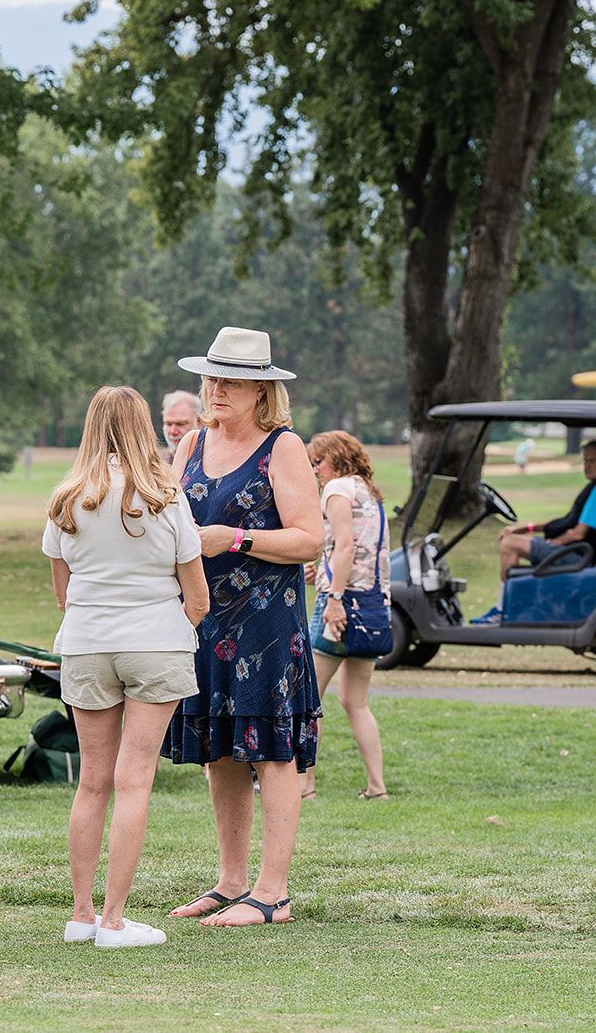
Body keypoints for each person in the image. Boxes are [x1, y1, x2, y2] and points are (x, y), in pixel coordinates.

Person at [161, 326, 324, 929]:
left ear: (261, 391)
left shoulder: (282, 447)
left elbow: (310, 539)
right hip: (204, 621)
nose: (216, 389)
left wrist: (235, 537)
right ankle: (231, 882)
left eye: (231, 381)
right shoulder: (191, 445)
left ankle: (273, 892)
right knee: (218, 752)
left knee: (274, 752)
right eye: (212, 377)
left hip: (265, 626)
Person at [44, 386, 210, 949]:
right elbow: (199, 596)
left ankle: (83, 914)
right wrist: (173, 627)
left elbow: (63, 592)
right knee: (133, 780)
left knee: (92, 781)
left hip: (88, 643)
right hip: (154, 642)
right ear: (143, 427)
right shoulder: (166, 496)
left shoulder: (68, 496)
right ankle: (115, 921)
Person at [300, 430, 391, 801]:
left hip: (340, 605)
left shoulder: (337, 489)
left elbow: (346, 544)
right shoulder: (370, 492)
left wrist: (334, 596)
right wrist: (319, 570)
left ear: (335, 458)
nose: (316, 470)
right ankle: (377, 786)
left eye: (317, 462)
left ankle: (305, 784)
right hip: (373, 605)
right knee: (356, 701)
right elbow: (359, 548)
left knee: (309, 698)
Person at [474, 440, 596, 624]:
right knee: (516, 538)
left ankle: (503, 610)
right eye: (585, 461)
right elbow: (567, 521)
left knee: (510, 543)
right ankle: (510, 606)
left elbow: (577, 533)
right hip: (581, 551)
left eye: (591, 461)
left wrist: (553, 544)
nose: (586, 466)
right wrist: (526, 528)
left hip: (581, 554)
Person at [159, 390, 203, 465]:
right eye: (168, 424)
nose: (173, 432)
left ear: (200, 422)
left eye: (180, 424)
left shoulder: (210, 460)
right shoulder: (155, 463)